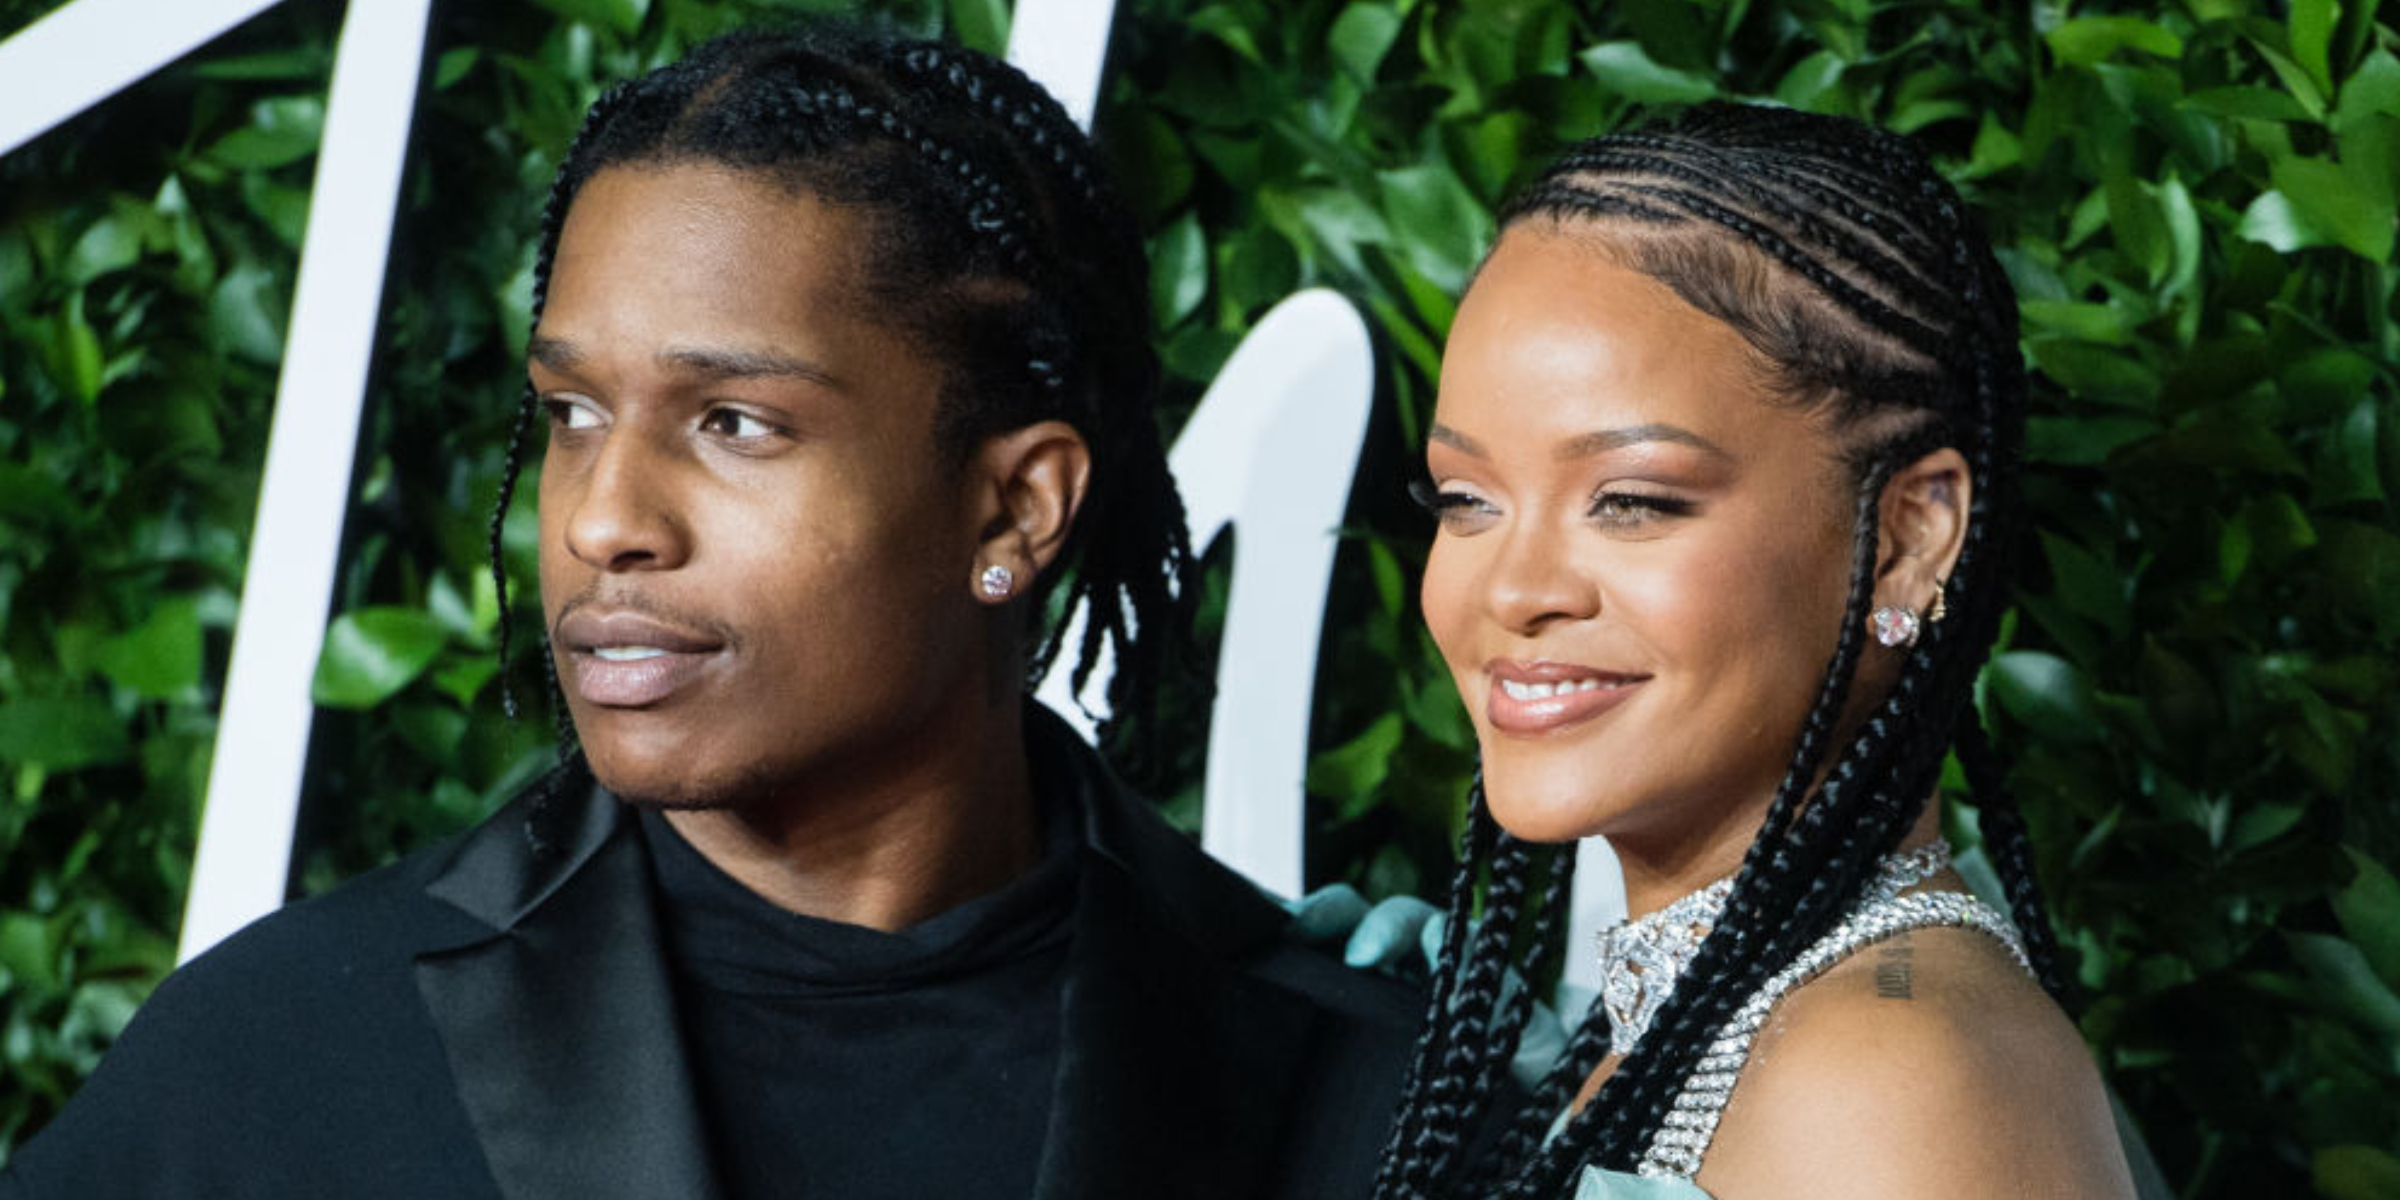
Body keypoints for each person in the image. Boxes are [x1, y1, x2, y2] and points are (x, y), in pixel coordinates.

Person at [3, 26, 1414, 1200]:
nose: (602, 519)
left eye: (734, 422)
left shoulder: (1362, 1074)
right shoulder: (284, 1061)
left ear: (1012, 511)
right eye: (570, 413)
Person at [1371, 104, 2141, 1199]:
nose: (1516, 589)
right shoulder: (1736, 1024)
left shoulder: (1889, 1084)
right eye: (1465, 499)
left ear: (1911, 541)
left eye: (1631, 502)